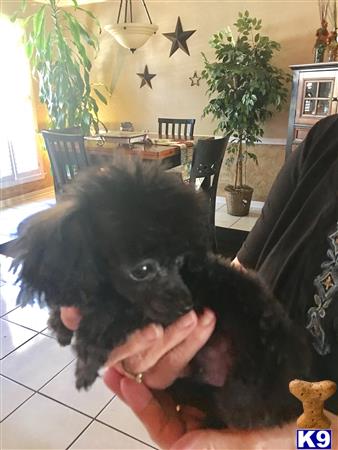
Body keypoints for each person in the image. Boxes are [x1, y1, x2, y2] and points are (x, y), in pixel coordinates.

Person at [61, 114, 338, 449]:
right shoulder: (325, 139)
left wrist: (294, 442)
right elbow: (240, 269)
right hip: (228, 399)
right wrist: (182, 331)